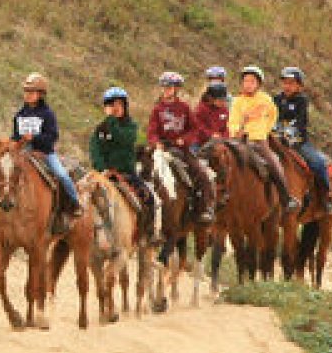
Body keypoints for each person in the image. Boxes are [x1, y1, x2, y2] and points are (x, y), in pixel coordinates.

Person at [146, 71, 215, 222]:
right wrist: (156, 142)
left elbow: (194, 128)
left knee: (202, 174)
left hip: (181, 150)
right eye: (164, 87)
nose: (166, 90)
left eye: (169, 87)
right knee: (143, 170)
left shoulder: (184, 107)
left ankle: (205, 208)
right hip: (162, 149)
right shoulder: (157, 109)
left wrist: (184, 139)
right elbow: (151, 131)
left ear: (176, 89)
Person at [11, 73, 82, 219]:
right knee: (7, 172)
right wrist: (13, 143)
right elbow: (16, 136)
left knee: (62, 175)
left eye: (31, 92)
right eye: (26, 91)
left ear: (40, 94)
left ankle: (75, 203)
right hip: (24, 153)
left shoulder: (47, 114)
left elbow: (52, 137)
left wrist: (34, 138)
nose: (27, 94)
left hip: (45, 154)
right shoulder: (19, 115)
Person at [228, 66, 299, 212]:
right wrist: (236, 131)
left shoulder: (265, 99)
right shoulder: (237, 101)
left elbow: (273, 115)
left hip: (259, 141)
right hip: (239, 140)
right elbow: (232, 121)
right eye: (245, 81)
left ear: (258, 84)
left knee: (274, 163)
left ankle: (286, 198)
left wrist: (265, 131)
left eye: (252, 81)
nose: (248, 84)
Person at [89, 86, 155, 241]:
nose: (116, 108)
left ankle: (148, 234)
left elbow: (123, 139)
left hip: (126, 174)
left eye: (119, 104)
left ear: (125, 106)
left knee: (149, 198)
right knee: (82, 196)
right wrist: (102, 168)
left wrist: (111, 120)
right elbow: (95, 151)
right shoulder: (99, 129)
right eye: (112, 104)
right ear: (106, 107)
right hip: (103, 174)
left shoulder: (130, 127)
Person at [275, 67, 332, 215]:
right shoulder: (276, 99)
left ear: (299, 86)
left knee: (318, 163)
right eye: (285, 82)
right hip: (276, 139)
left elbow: (300, 123)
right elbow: (271, 117)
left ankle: (326, 196)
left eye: (291, 83)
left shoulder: (301, 100)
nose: (287, 86)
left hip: (298, 141)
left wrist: (289, 134)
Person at [191, 81, 230, 147]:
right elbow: (198, 127)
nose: (223, 102)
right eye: (220, 100)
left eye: (224, 100)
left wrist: (224, 137)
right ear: (210, 98)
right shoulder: (200, 109)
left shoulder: (224, 110)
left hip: (219, 141)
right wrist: (211, 135)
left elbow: (225, 127)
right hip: (200, 142)